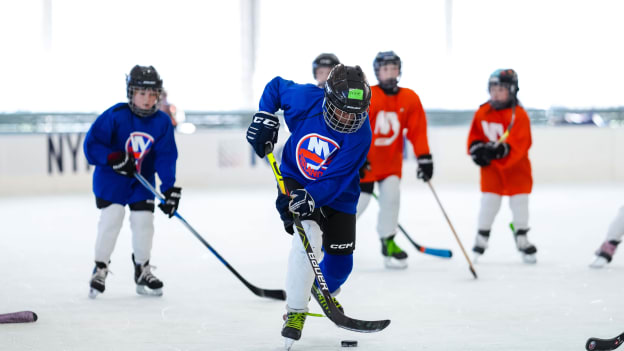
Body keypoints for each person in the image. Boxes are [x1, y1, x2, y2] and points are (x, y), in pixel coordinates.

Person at [246, 64, 372, 346]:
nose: (348, 118)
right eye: (342, 109)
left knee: (341, 265)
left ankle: (318, 288)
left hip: (338, 195)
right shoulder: (305, 99)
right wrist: (266, 116)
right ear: (327, 97)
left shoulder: (362, 133)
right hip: (295, 182)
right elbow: (276, 86)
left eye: (356, 112)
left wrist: (313, 197)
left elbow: (337, 178)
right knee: (308, 241)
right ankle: (295, 311)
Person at [83, 65, 182, 298]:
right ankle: (100, 267)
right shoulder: (116, 115)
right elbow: (92, 145)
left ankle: (142, 269)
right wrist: (112, 157)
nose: (147, 100)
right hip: (111, 181)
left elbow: (166, 157)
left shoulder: (162, 122)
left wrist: (169, 190)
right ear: (131, 93)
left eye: (152, 94)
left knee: (144, 221)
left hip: (141, 182)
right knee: (111, 219)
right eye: (141, 93)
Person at [356, 51, 433, 269]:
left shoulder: (409, 97)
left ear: (399, 70)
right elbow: (354, 129)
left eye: (393, 69)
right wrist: (356, 158)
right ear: (377, 72)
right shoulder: (367, 95)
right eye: (385, 69)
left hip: (390, 163)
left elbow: (418, 131)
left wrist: (424, 158)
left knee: (391, 199)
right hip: (365, 164)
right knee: (358, 204)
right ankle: (332, 241)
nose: (390, 73)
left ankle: (388, 241)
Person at [467, 69, 537, 264]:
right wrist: (477, 151)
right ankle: (481, 238)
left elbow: (521, 145)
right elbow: (475, 137)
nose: (496, 93)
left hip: (517, 171)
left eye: (501, 89)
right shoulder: (482, 112)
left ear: (512, 90)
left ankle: (522, 237)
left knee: (520, 204)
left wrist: (501, 151)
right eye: (493, 88)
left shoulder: (519, 116)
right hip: (492, 171)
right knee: (489, 203)